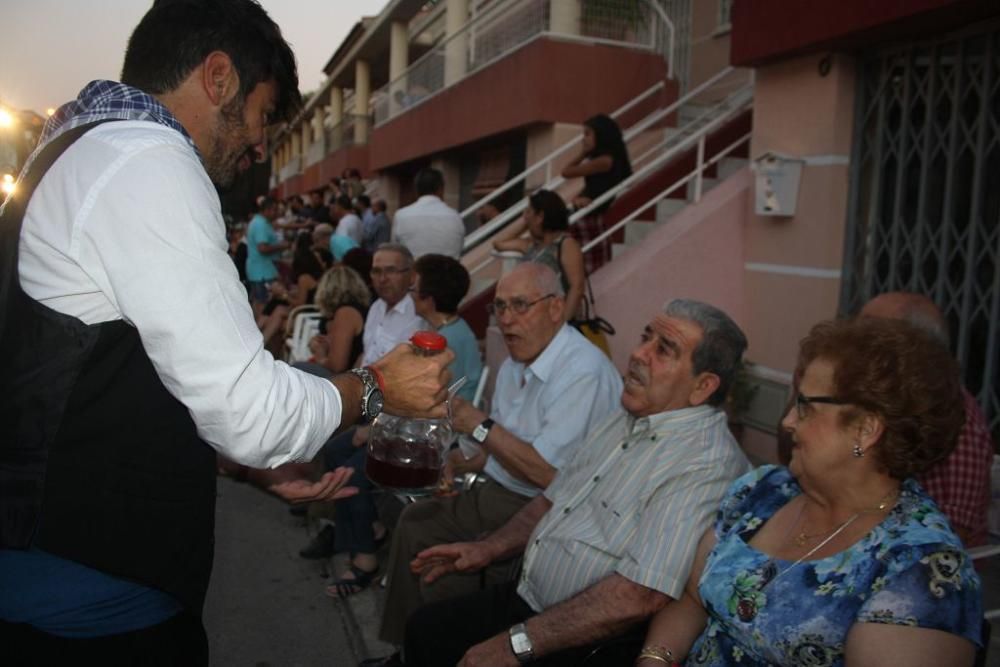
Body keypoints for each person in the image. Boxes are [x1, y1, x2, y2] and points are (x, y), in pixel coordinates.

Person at [0, 2, 451, 663]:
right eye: (265, 115)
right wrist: (380, 385)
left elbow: (110, 376)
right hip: (91, 607)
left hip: (68, 584)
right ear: (218, 78)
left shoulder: (84, 151)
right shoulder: (147, 161)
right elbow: (251, 410)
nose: (262, 146)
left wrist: (239, 463)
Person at [401, 299, 752, 667]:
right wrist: (487, 549)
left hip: (587, 640)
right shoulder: (628, 415)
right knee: (426, 631)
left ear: (703, 386)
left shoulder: (704, 464)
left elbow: (639, 595)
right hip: (529, 602)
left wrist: (514, 646)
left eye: (663, 350)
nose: (637, 354)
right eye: (645, 338)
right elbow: (553, 500)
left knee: (442, 643)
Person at [638, 317, 982, 667]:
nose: (787, 422)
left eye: (805, 406)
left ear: (865, 429)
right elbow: (693, 599)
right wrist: (656, 659)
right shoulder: (764, 491)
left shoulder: (919, 568)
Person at [369, 262, 623, 656]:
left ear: (556, 308)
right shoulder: (514, 364)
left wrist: (477, 423)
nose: (507, 319)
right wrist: (455, 462)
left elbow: (549, 474)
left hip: (551, 508)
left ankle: (450, 650)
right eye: (500, 307)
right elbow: (498, 448)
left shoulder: (582, 371)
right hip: (500, 488)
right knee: (415, 519)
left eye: (520, 305)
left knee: (445, 558)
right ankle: (408, 648)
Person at [298, 244, 427, 565]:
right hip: (368, 400)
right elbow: (364, 359)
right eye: (375, 271)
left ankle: (360, 549)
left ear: (411, 275)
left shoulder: (418, 319)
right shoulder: (376, 309)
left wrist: (368, 423)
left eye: (390, 270)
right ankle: (355, 530)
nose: (381, 279)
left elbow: (410, 385)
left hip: (396, 413)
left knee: (344, 457)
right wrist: (348, 397)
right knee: (331, 443)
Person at [859, 291, 994, 548]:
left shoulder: (958, 424)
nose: (853, 343)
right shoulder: (885, 402)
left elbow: (947, 539)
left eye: (868, 332)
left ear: (912, 348)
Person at [493, 189, 585, 320]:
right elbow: (499, 243)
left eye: (528, 212)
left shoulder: (566, 245)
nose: (524, 216)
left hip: (555, 320)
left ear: (540, 216)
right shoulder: (531, 245)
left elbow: (577, 288)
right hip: (534, 320)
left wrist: (562, 324)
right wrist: (527, 223)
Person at [561, 114, 632, 274]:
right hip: (590, 218)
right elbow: (596, 186)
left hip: (589, 221)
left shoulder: (604, 161)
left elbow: (566, 172)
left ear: (601, 135)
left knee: (585, 272)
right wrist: (578, 197)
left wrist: (583, 154)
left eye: (587, 134)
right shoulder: (606, 160)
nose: (583, 139)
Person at [410, 254, 483, 402]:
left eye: (413, 290)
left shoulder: (446, 341)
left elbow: (431, 397)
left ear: (428, 300)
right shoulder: (455, 328)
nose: (410, 295)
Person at [306, 266, 372, 375]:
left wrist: (320, 356)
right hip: (352, 375)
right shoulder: (355, 311)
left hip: (347, 379)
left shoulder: (346, 313)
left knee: (295, 369)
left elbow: (337, 366)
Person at [392, 167, 465, 259]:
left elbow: (394, 252)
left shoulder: (401, 216)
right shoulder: (455, 216)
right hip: (448, 271)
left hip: (413, 272)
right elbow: (460, 248)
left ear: (416, 190)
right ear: (441, 189)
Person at [245, 195, 289, 313]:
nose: (277, 212)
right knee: (263, 305)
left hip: (263, 269)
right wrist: (282, 246)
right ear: (267, 210)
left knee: (261, 303)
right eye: (275, 210)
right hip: (262, 271)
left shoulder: (263, 222)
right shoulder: (260, 224)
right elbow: (262, 248)